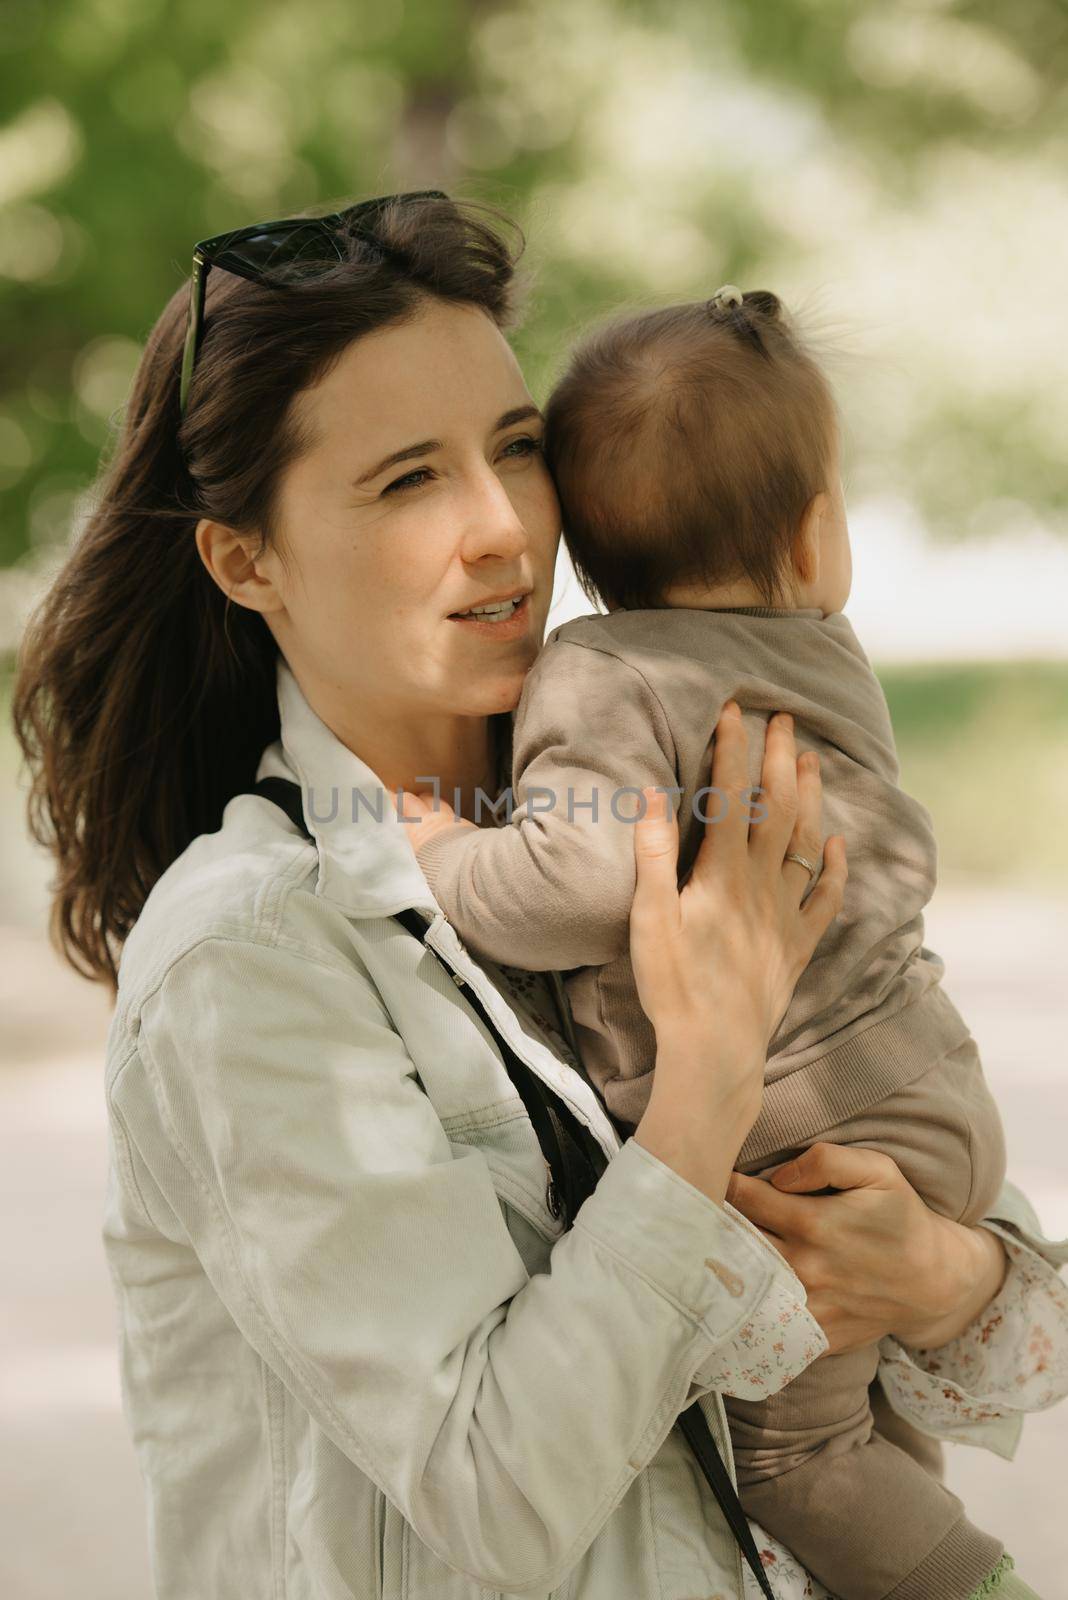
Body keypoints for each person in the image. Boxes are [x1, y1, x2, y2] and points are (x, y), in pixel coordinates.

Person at [11, 192, 1067, 1600]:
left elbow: (1020, 1306)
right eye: (408, 482)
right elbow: (498, 1493)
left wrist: (934, 1275)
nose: (503, 526)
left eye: (516, 451)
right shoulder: (253, 957)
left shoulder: (675, 766)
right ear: (245, 556)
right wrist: (704, 1081)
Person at [398, 285, 1039, 1597]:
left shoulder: (600, 672)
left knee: (799, 1466)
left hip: (797, 1142)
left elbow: (575, 882)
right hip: (927, 1095)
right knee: (862, 1433)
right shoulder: (823, 648)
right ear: (812, 541)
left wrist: (442, 856)